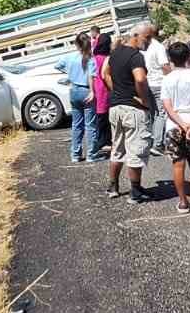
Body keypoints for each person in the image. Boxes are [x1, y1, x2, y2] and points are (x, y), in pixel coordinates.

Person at [102, 24, 155, 203]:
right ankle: (135, 191)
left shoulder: (115, 53)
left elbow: (105, 73)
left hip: (115, 107)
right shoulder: (136, 56)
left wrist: (115, 90)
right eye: (147, 38)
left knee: (117, 148)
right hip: (133, 110)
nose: (149, 41)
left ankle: (113, 186)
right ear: (135, 35)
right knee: (136, 149)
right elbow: (140, 78)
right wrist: (144, 99)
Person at [161, 41, 190, 213]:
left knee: (177, 164)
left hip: (174, 125)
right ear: (189, 56)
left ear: (170, 58)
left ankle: (182, 202)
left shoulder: (167, 79)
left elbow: (167, 106)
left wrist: (181, 124)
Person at [55, 32, 100, 163]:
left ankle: (75, 154)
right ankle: (92, 154)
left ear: (76, 44)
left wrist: (69, 73)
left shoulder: (70, 57)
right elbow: (91, 77)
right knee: (90, 124)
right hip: (86, 90)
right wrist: (92, 91)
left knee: (76, 124)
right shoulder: (90, 58)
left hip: (74, 90)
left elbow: (57, 65)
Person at [142, 24, 172, 156]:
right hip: (158, 83)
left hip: (147, 83)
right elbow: (165, 66)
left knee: (153, 113)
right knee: (161, 113)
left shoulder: (145, 47)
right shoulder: (158, 47)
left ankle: (153, 139)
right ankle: (158, 144)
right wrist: (172, 78)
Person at [90, 33, 113, 158]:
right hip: (105, 88)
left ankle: (101, 142)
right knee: (106, 117)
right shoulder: (107, 58)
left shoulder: (94, 57)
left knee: (99, 116)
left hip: (96, 88)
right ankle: (104, 141)